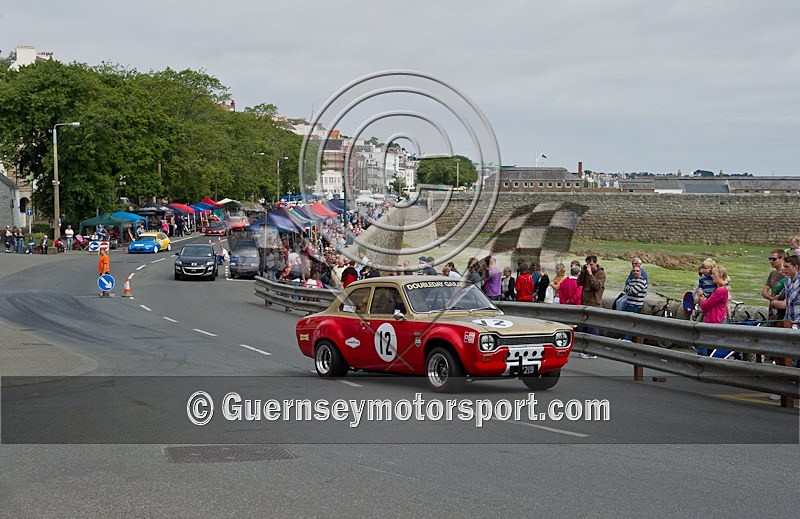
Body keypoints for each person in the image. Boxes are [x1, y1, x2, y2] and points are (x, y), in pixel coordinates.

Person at [576, 255, 605, 358]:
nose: (590, 266)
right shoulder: (586, 272)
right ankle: (586, 350)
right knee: (585, 329)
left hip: (594, 304)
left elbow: (596, 286)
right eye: (588, 264)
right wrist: (583, 272)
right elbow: (578, 283)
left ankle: (593, 352)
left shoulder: (601, 274)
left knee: (593, 329)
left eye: (591, 264)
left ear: (596, 263)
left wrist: (590, 273)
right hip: (585, 303)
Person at [621, 264, 648, 340]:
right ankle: (623, 339)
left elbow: (633, 291)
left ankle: (627, 340)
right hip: (628, 304)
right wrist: (629, 288)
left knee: (629, 325)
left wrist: (628, 288)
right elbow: (625, 289)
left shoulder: (643, 281)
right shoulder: (632, 280)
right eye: (634, 271)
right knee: (624, 324)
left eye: (637, 271)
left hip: (635, 306)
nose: (635, 272)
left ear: (641, 272)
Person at [761, 249, 786, 323]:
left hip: (782, 312)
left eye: (774, 259)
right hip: (772, 309)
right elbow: (764, 291)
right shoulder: (772, 273)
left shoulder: (787, 275)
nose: (771, 261)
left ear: (782, 259)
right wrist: (772, 298)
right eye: (770, 259)